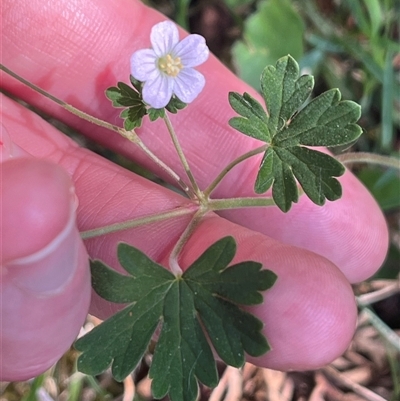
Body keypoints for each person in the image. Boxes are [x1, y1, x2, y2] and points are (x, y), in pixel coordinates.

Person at [0, 0, 389, 382]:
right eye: (166, 62)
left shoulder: (181, 69)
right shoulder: (153, 69)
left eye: (173, 62)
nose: (170, 64)